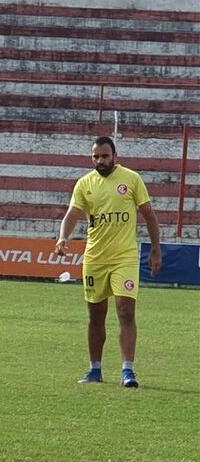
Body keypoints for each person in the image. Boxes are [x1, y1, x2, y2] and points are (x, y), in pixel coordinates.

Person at [56, 136, 162, 388]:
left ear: (114, 156)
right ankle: (95, 369)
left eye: (104, 156)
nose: (100, 160)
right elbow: (72, 214)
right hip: (95, 258)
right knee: (96, 314)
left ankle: (128, 370)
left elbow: (149, 215)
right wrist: (63, 236)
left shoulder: (131, 179)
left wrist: (156, 249)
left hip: (124, 257)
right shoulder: (84, 183)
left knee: (126, 310)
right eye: (96, 156)